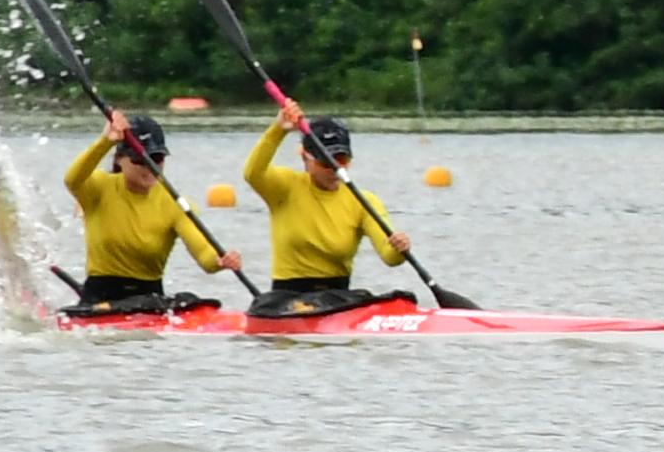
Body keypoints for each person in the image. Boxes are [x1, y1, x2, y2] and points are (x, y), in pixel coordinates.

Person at [243, 102, 409, 316]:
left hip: (338, 299)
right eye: (325, 162)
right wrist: (278, 131)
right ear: (305, 157)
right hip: (286, 300)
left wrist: (399, 248)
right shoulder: (284, 188)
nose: (334, 169)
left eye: (341, 160)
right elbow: (252, 174)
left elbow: (389, 257)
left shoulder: (363, 200)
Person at [63, 111, 234, 311]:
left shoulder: (175, 202)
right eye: (139, 160)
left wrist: (220, 260)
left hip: (151, 301)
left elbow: (204, 254)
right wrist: (104, 142)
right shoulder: (99, 188)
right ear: (119, 159)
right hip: (100, 297)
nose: (150, 167)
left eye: (157, 158)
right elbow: (72, 179)